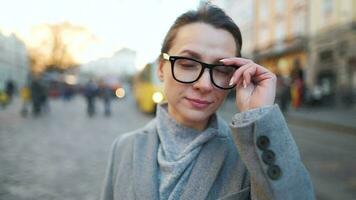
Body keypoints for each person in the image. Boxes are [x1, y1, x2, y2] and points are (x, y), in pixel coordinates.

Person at [101, 4, 314, 200]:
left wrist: (259, 115)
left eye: (221, 70)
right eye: (187, 63)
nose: (204, 84)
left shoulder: (251, 156)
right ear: (160, 68)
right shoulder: (124, 148)